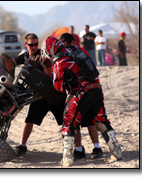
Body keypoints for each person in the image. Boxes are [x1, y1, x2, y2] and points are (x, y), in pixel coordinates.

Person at [41, 36, 123, 166]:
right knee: (101, 121)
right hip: (96, 89)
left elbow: (58, 87)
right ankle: (117, 153)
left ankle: (67, 160)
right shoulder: (78, 51)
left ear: (51, 50)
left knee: (68, 125)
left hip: (79, 93)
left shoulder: (60, 61)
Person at [12, 33, 66, 156]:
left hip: (54, 95)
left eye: (36, 44)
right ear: (26, 45)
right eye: (31, 45)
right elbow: (10, 63)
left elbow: (49, 76)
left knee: (66, 122)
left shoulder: (43, 57)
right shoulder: (25, 57)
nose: (34, 47)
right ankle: (22, 145)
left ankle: (73, 148)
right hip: (39, 96)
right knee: (29, 120)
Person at [60, 33, 103, 160]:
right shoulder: (83, 51)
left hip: (75, 93)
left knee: (74, 123)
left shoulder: (63, 55)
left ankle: (79, 150)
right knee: (90, 120)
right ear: (73, 41)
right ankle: (97, 148)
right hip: (90, 89)